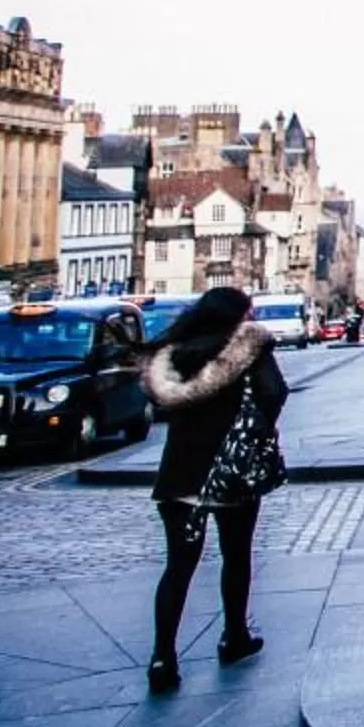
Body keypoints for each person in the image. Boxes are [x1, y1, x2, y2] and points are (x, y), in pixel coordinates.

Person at [139, 287, 287, 694]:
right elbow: (274, 392)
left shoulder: (175, 353)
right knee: (235, 555)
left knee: (178, 566)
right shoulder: (247, 349)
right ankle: (234, 635)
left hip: (179, 473)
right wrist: (256, 427)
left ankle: (162, 656)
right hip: (230, 469)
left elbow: (159, 405)